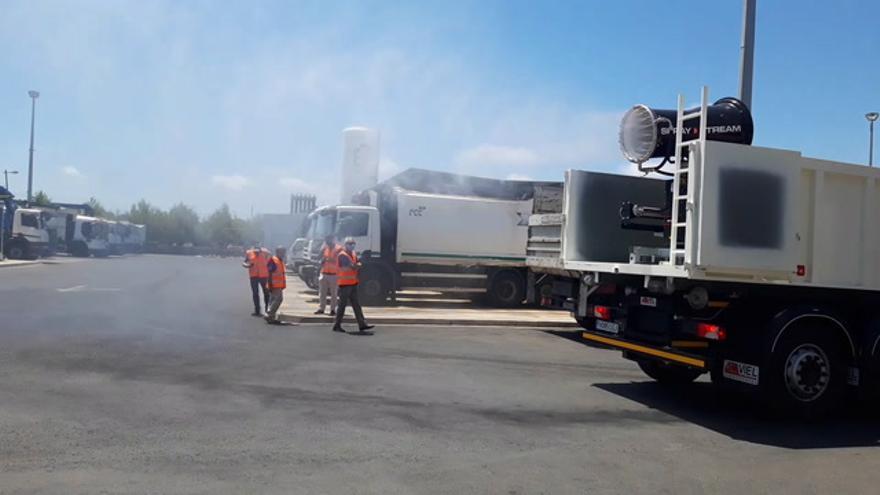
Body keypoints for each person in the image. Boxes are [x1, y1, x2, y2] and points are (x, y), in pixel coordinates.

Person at [332, 237, 374, 334]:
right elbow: (353, 266)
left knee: (356, 305)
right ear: (345, 244)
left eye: (353, 243)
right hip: (344, 284)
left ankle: (362, 324)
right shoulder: (343, 255)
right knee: (342, 305)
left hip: (353, 283)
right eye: (350, 244)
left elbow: (357, 263)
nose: (352, 245)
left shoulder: (353, 254)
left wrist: (358, 264)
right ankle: (337, 325)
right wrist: (358, 265)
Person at [315, 235, 341, 316]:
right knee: (322, 292)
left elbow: (340, 260)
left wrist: (330, 260)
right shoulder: (325, 248)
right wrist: (321, 260)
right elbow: (319, 258)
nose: (327, 242)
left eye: (329, 240)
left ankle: (333, 310)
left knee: (334, 294)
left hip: (334, 274)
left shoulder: (339, 249)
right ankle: (321, 308)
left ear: (333, 240)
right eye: (326, 241)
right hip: (324, 273)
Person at [242, 243, 270, 316]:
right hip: (254, 276)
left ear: (261, 249)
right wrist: (247, 265)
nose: (257, 253)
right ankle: (257, 310)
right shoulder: (249, 253)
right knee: (255, 293)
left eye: (258, 251)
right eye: (256, 252)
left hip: (264, 276)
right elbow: (244, 262)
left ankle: (268, 309)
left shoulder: (266, 253)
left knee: (266, 293)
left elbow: (270, 261)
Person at [265, 246, 287, 324]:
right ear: (277, 252)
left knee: (272, 300)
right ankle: (269, 313)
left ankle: (271, 317)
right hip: (274, 285)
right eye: (282, 252)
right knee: (279, 299)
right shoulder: (273, 260)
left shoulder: (280, 260)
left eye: (284, 252)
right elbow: (270, 273)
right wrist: (270, 284)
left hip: (278, 285)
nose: (284, 254)